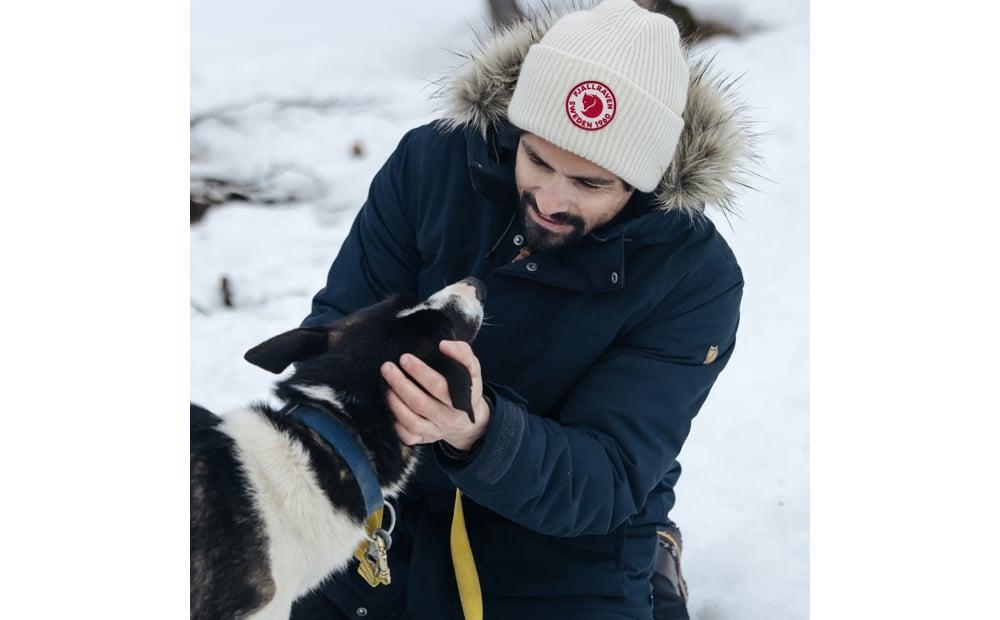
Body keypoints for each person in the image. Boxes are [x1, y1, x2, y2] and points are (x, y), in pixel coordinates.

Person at [290, 0, 753, 618]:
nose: (551, 199)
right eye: (536, 158)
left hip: (567, 530)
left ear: (645, 179)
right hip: (392, 493)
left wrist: (479, 432)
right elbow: (338, 329)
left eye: (591, 183)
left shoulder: (695, 277)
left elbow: (608, 476)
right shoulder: (431, 166)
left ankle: (655, 569)